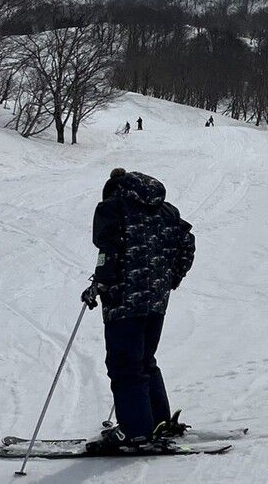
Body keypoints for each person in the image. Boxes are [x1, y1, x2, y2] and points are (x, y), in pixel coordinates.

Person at [82, 168, 196, 452]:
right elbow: (187, 244)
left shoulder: (113, 208)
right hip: (156, 301)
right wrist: (171, 279)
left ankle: (136, 432)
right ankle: (157, 423)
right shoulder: (166, 210)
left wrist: (100, 284)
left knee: (125, 366)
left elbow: (109, 250)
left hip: (125, 302)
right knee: (145, 360)